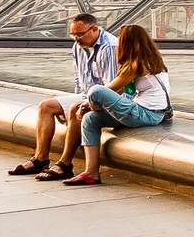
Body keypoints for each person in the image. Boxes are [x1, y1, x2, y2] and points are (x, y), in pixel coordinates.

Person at [8, 14, 116, 180]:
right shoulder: (78, 45)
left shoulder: (108, 47)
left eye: (80, 34)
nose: (76, 39)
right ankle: (40, 159)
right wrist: (72, 101)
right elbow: (79, 80)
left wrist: (81, 105)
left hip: (104, 98)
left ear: (94, 29)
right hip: (86, 94)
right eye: (73, 35)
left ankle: (65, 164)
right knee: (46, 106)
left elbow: (111, 88)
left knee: (74, 108)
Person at [62, 24, 172, 186]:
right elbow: (119, 90)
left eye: (121, 40)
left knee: (95, 90)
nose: (118, 44)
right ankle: (91, 173)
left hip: (146, 113)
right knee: (90, 119)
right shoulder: (151, 60)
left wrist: (86, 105)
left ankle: (92, 109)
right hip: (150, 113)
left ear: (127, 43)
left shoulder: (136, 64)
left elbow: (107, 89)